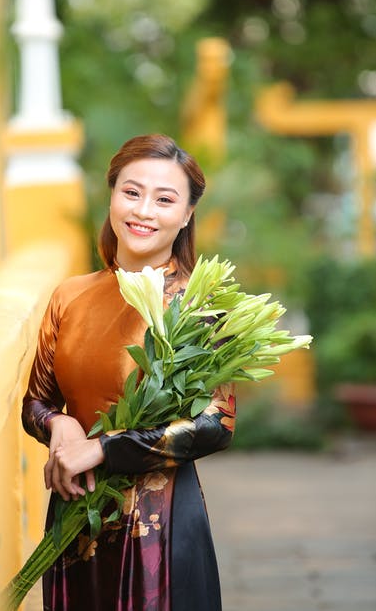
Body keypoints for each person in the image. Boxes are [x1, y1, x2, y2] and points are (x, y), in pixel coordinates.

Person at [22, 134, 236, 611]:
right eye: (131, 192)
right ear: (112, 195)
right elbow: (36, 401)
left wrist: (101, 449)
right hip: (76, 518)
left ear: (186, 215)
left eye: (165, 199)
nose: (144, 210)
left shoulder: (199, 303)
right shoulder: (69, 295)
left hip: (159, 528)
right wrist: (59, 424)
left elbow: (216, 425)